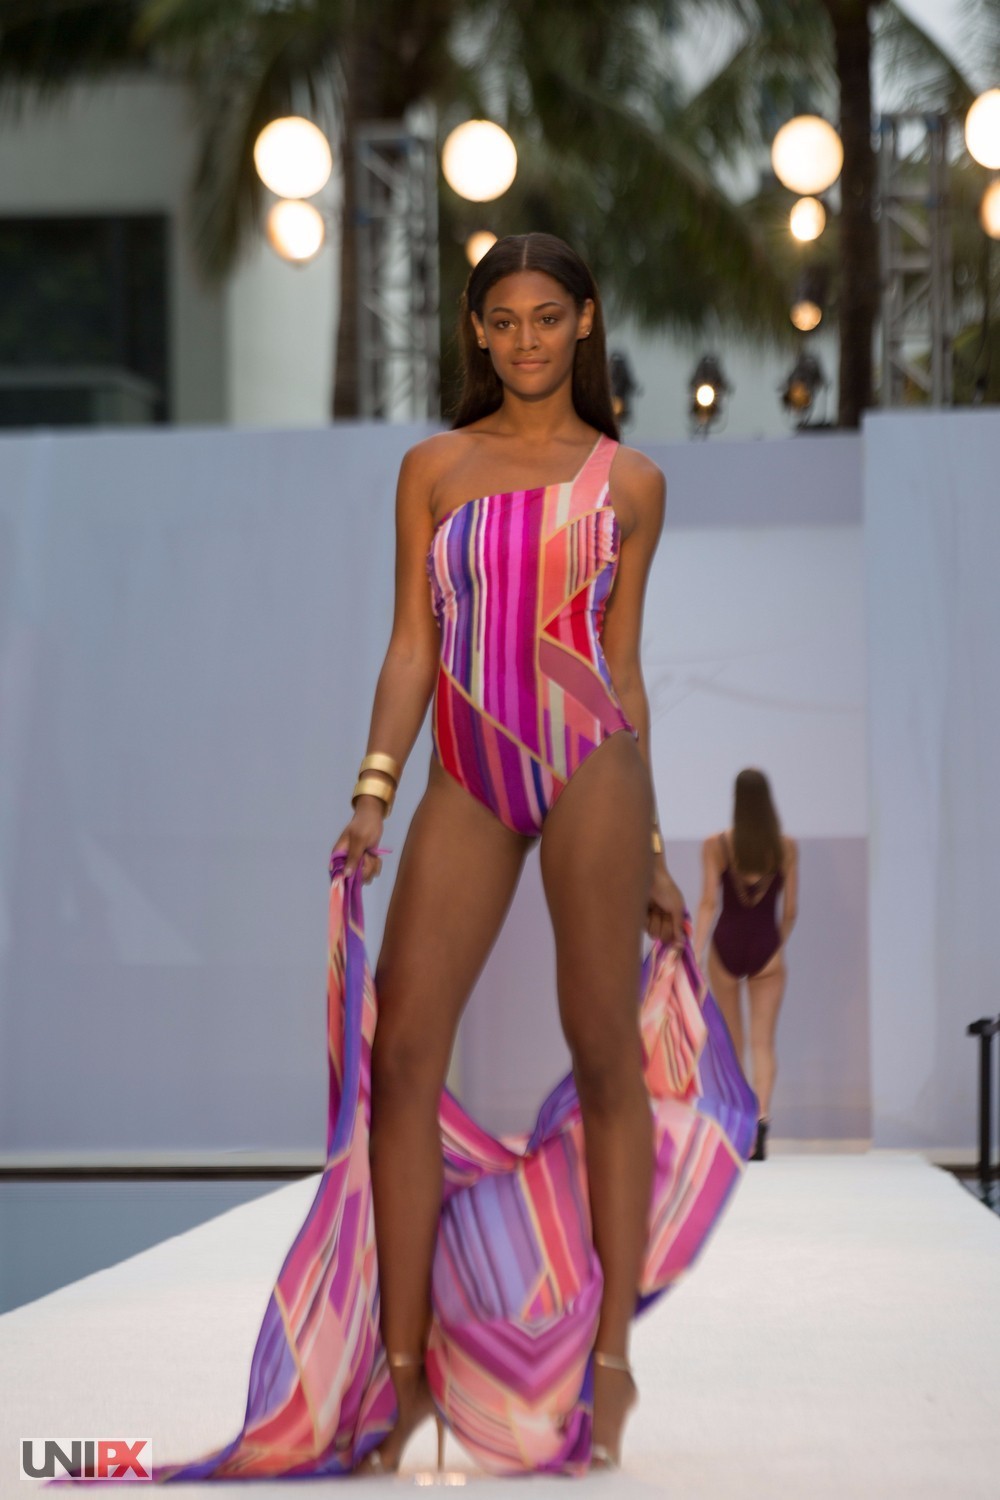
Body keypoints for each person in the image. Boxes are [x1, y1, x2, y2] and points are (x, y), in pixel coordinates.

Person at [132, 233, 756, 1489]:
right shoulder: (433, 468)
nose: (526, 339)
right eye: (503, 320)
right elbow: (413, 647)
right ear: (477, 331)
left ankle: (608, 1363)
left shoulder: (630, 483)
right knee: (403, 1052)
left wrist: (649, 848)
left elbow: (622, 669)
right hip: (468, 768)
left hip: (590, 760)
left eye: (547, 318)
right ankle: (405, 1373)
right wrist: (373, 793)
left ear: (585, 322)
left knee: (602, 1048)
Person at [694, 769, 798, 1160]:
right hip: (766, 949)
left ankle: (740, 1126)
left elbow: (708, 903)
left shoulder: (716, 845)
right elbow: (790, 910)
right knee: (763, 1043)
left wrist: (696, 951)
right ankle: (762, 1121)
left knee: (733, 1043)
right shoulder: (786, 848)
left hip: (726, 946)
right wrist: (775, 945)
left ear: (736, 800)